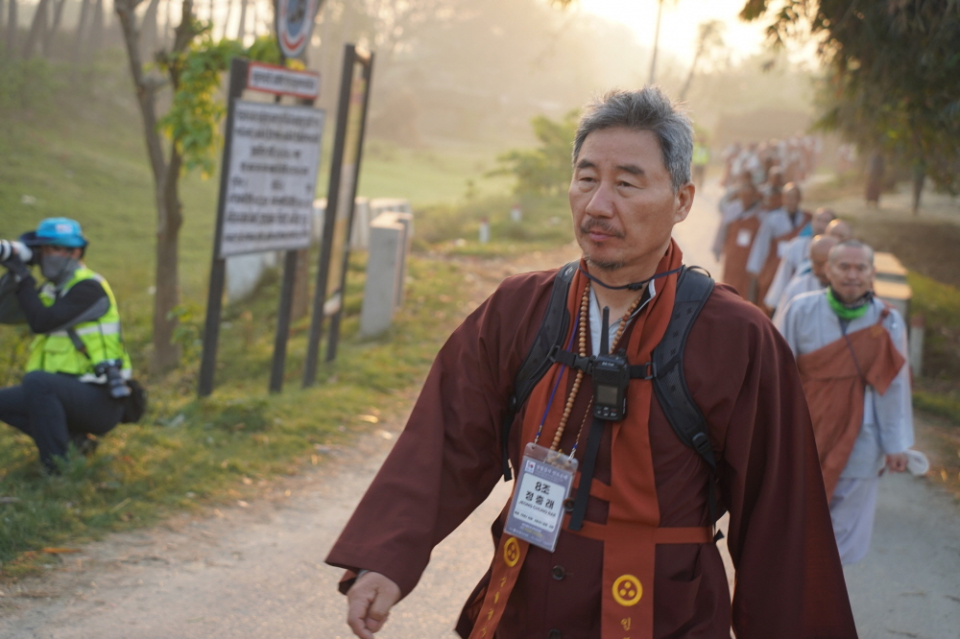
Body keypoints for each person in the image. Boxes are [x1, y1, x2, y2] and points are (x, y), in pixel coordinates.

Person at [326, 88, 857, 639]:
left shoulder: (737, 339)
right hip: (525, 606)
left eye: (627, 184)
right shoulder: (519, 310)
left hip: (663, 616)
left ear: (682, 201)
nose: (599, 204)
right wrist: (387, 556)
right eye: (586, 179)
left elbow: (780, 519)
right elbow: (446, 441)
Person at [775, 240, 913, 565]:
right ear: (827, 270)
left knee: (844, 528)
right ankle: (796, 590)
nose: (852, 275)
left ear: (872, 273)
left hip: (861, 435)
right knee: (796, 515)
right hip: (806, 430)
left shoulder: (888, 321)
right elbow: (777, 375)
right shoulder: (800, 308)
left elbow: (893, 389)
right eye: (844, 267)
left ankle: (822, 597)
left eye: (861, 268)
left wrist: (896, 445)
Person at [0, 218, 132, 473]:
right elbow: (3, 312)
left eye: (57, 249)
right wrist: (15, 271)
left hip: (101, 397)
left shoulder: (89, 288)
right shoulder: (51, 291)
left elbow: (41, 321)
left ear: (76, 252)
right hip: (62, 393)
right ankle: (76, 442)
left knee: (37, 382)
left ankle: (57, 469)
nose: (50, 256)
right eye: (45, 249)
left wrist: (25, 277)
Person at [746, 182, 810, 311]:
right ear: (783, 199)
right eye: (788, 197)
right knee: (769, 296)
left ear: (800, 199)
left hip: (796, 265)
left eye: (794, 197)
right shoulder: (772, 218)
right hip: (773, 264)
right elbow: (761, 244)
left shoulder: (806, 219)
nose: (791, 201)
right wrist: (755, 267)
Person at [763, 207, 836, 310]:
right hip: (796, 298)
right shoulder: (796, 245)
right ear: (812, 222)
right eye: (818, 220)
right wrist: (775, 301)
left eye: (826, 221)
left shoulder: (837, 250)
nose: (821, 225)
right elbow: (784, 274)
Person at [712, 174, 764, 300]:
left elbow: (763, 239)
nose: (746, 198)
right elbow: (722, 230)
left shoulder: (761, 213)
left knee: (746, 289)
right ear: (740, 195)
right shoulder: (732, 209)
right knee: (728, 284)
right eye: (744, 195)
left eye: (749, 195)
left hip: (749, 257)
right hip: (732, 255)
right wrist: (717, 249)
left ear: (754, 196)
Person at [771, 234, 839, 321]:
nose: (823, 271)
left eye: (827, 265)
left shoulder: (850, 287)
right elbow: (781, 326)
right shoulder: (797, 288)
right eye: (818, 264)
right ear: (810, 260)